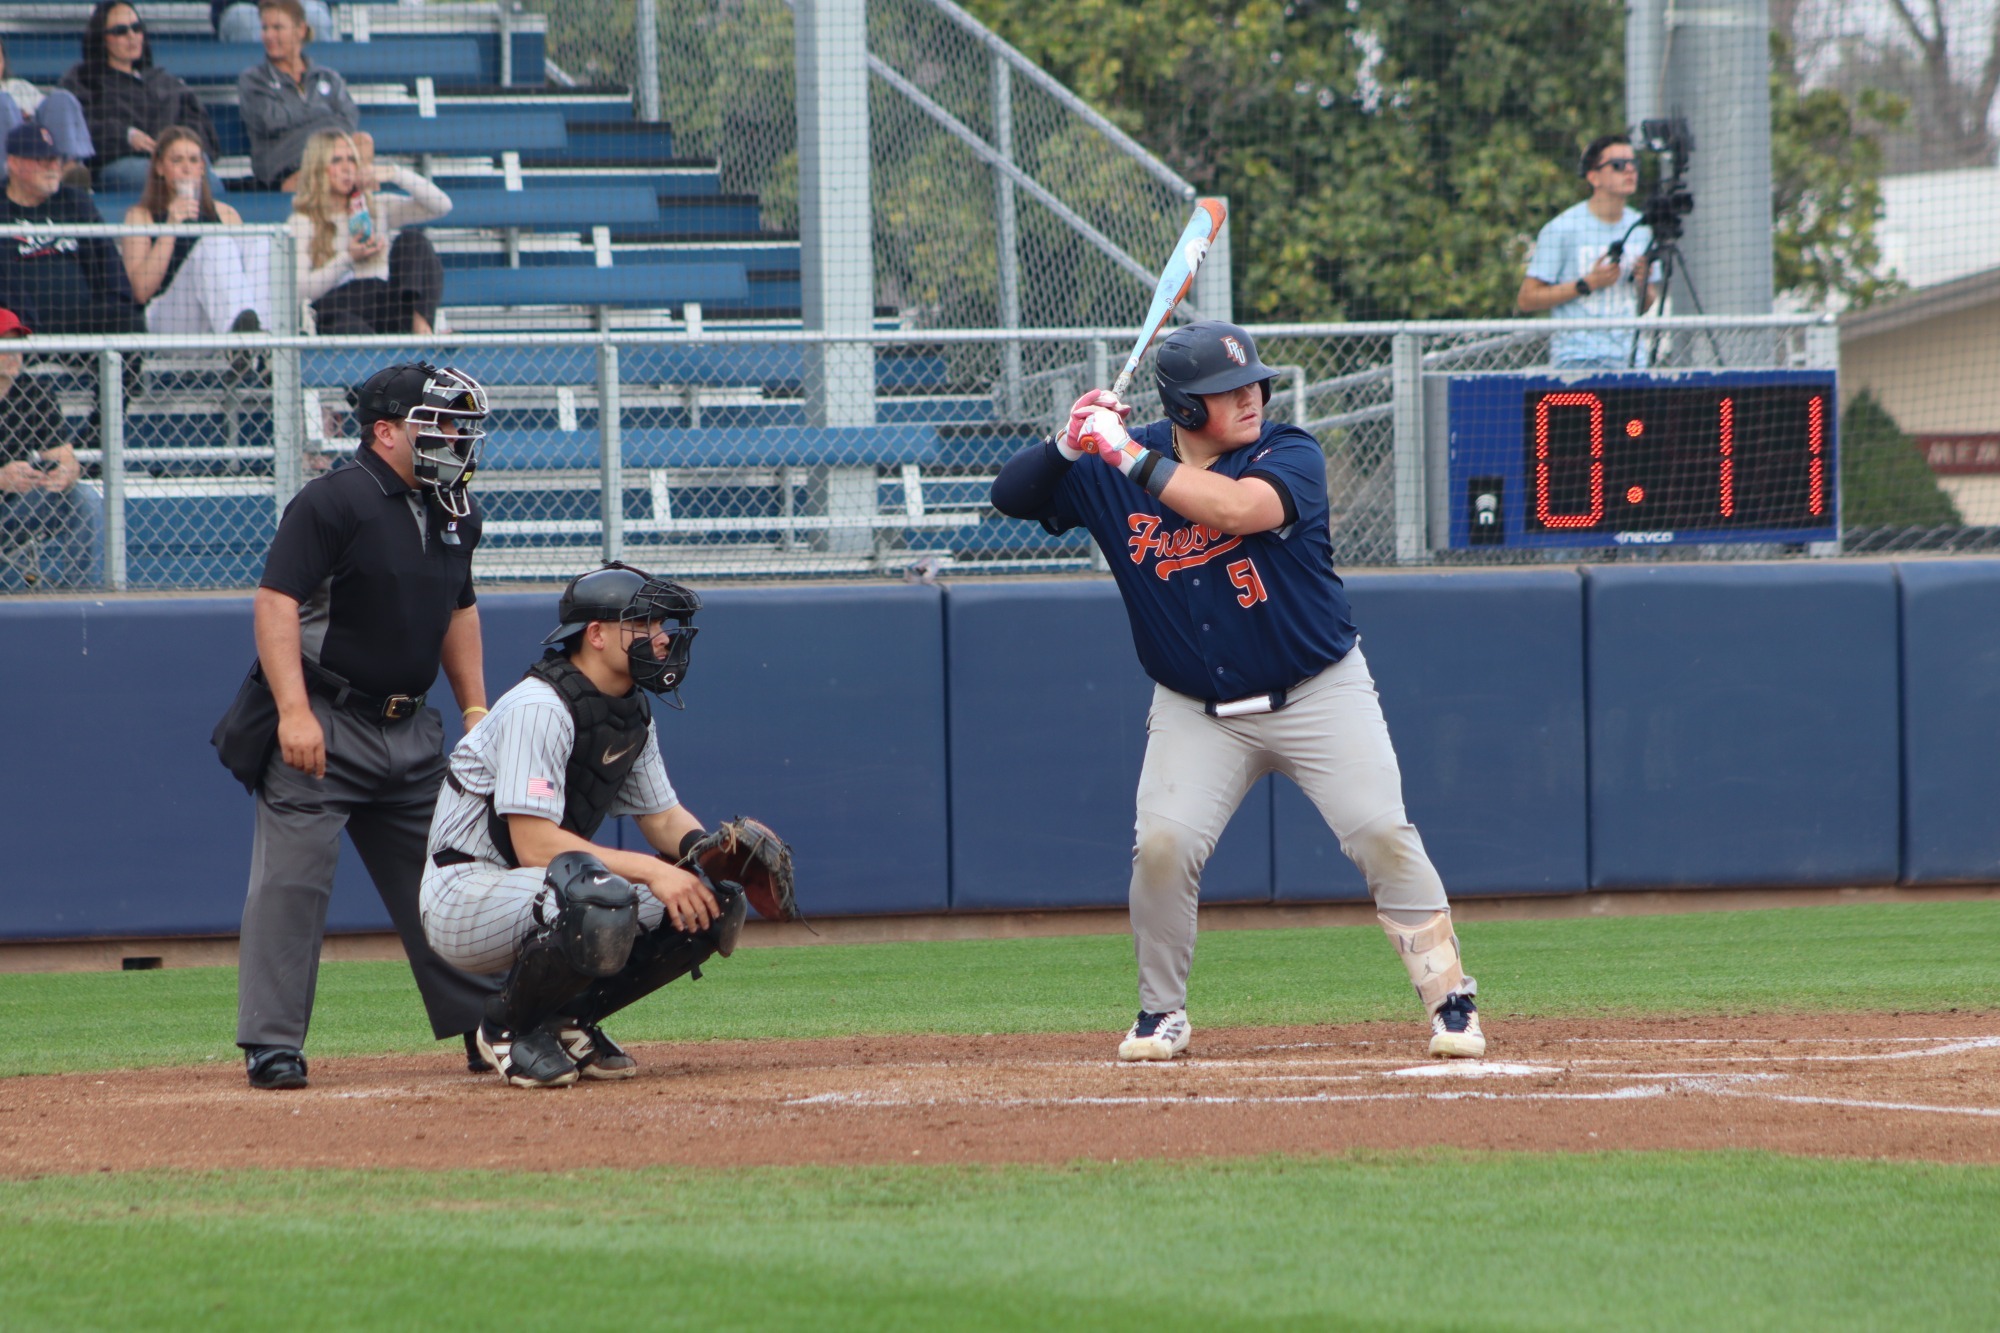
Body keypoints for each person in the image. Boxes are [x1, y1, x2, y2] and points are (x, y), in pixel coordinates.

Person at [989, 320, 1487, 1064]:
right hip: (1197, 709)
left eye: (1253, 382)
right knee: (1162, 845)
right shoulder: (1110, 469)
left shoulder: (1288, 451)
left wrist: (1124, 451)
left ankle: (1451, 998)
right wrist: (1070, 442)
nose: (1251, 396)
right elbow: (1010, 497)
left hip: (1318, 690)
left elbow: (1235, 510)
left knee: (1382, 831)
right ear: (1185, 409)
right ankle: (1161, 1013)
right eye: (1227, 391)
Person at [236, 361, 498, 1091]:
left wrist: (476, 709)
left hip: (411, 730)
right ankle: (272, 1042)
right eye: (439, 424)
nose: (455, 439)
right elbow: (275, 602)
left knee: (451, 883)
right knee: (290, 886)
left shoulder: (457, 507)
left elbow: (459, 609)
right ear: (386, 432)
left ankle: (490, 1023)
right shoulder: (331, 501)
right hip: (326, 718)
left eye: (461, 426)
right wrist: (293, 711)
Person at [419, 563, 747, 1089]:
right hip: (464, 891)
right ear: (595, 635)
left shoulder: (629, 708)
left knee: (711, 903)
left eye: (662, 626)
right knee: (603, 898)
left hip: (539, 887)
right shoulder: (538, 705)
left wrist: (707, 852)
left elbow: (662, 817)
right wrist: (652, 872)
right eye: (644, 625)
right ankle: (507, 1027)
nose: (661, 639)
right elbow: (533, 844)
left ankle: (567, 1021)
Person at [1518, 133, 1659, 369]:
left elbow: (1647, 303)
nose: (1629, 171)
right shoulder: (1562, 228)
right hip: (1579, 360)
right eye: (1618, 165)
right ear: (1593, 177)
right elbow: (1527, 299)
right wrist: (1586, 284)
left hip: (1633, 361)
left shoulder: (1642, 228)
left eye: (1634, 164)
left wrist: (1642, 284)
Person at [290, 129, 447, 335]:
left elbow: (441, 206)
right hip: (337, 307)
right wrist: (348, 258)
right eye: (337, 160)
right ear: (318, 169)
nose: (347, 168)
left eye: (351, 160)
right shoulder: (302, 221)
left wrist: (394, 174)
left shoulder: (376, 206)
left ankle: (421, 331)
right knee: (345, 326)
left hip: (382, 303)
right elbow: (300, 290)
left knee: (414, 241)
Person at [120, 127, 273, 337]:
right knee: (214, 243)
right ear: (159, 167)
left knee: (259, 241)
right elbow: (141, 291)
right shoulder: (140, 215)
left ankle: (259, 342)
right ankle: (243, 342)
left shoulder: (225, 214)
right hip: (168, 318)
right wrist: (170, 227)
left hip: (214, 319)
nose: (186, 168)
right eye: (177, 160)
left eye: (193, 160)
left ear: (202, 168)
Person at [0, 121, 144, 337]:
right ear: (14, 163)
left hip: (81, 321)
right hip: (21, 325)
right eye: (42, 160)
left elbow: (109, 266)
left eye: (56, 159)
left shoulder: (75, 202)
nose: (53, 167)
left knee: (127, 321)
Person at [60, 1, 220, 194]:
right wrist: (125, 137)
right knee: (158, 177)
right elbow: (74, 128)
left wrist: (178, 146)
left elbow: (201, 127)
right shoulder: (83, 79)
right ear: (102, 38)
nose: (132, 36)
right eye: (121, 31)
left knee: (208, 178)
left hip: (176, 159)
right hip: (120, 163)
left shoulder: (166, 81)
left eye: (136, 28)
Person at [0, 307, 102, 589]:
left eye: (18, 346)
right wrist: (1, 478)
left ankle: (80, 596)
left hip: (14, 510)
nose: (14, 355)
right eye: (5, 346)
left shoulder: (33, 391)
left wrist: (63, 474)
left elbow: (65, 458)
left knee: (83, 498)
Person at [238, 0, 366, 191]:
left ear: (301, 30)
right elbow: (271, 121)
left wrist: (301, 121)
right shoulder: (253, 79)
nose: (269, 35)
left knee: (363, 142)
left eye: (277, 27)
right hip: (285, 166)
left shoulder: (327, 76)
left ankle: (362, 214)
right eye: (265, 28)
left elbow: (348, 120)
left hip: (330, 157)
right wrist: (325, 117)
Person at [0, 34, 95, 177]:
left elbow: (48, 115)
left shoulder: (19, 88)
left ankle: (67, 170)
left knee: (61, 99)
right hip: (8, 170)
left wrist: (26, 120)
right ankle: (12, 180)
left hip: (40, 155)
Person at [214, 0, 332, 47]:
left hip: (295, 3)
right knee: (242, 17)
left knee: (314, 16)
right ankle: (257, 87)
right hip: (247, 6)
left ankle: (320, 87)